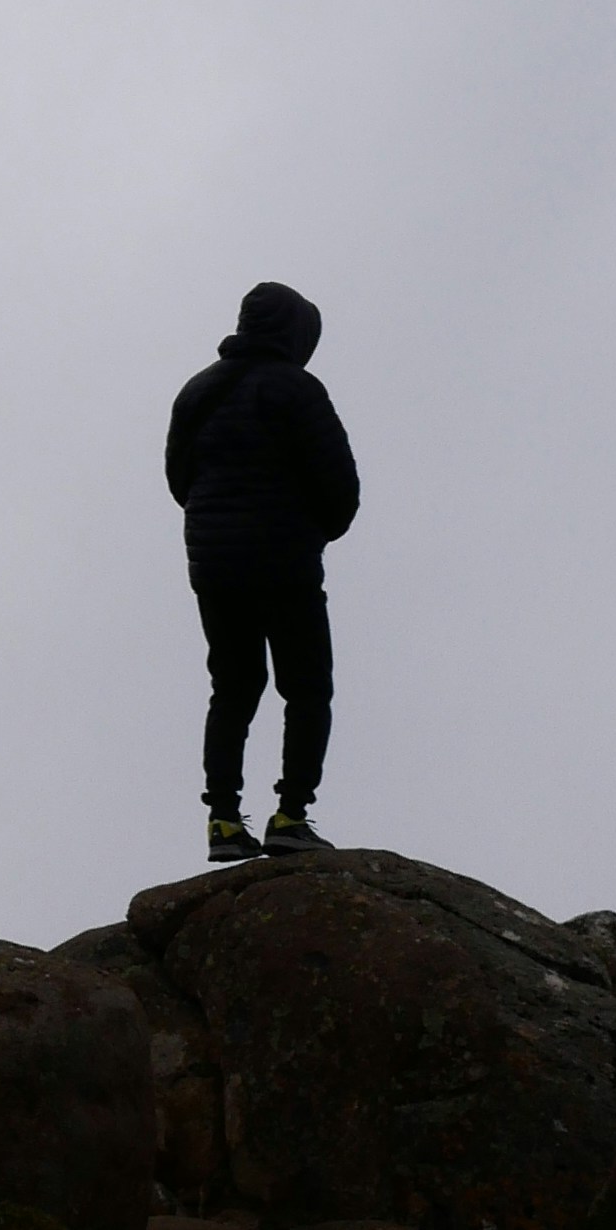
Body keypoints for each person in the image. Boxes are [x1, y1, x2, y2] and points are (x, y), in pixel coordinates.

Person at [164, 280, 358, 861]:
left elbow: (180, 480)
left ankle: (223, 821)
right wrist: (311, 529)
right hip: (284, 562)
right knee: (306, 687)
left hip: (215, 564)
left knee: (234, 687)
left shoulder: (197, 392)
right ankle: (291, 816)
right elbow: (339, 488)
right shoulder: (297, 390)